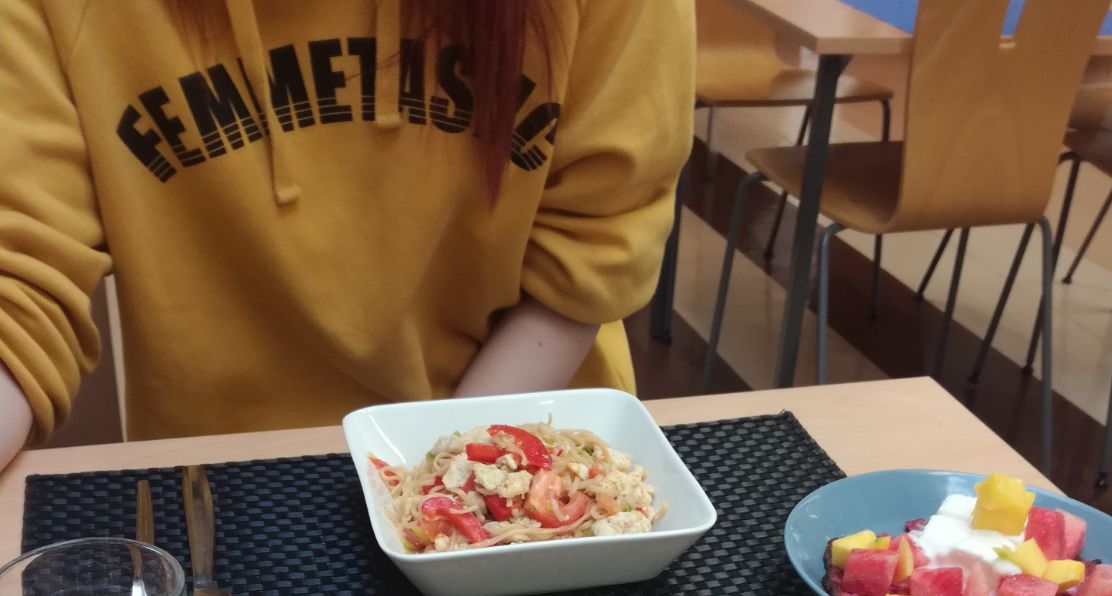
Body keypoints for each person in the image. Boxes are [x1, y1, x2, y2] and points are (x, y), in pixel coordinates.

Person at [0, 1, 695, 470]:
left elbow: (592, 242)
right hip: (227, 475)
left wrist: (435, 482)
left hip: (525, 429)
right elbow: (19, 278)